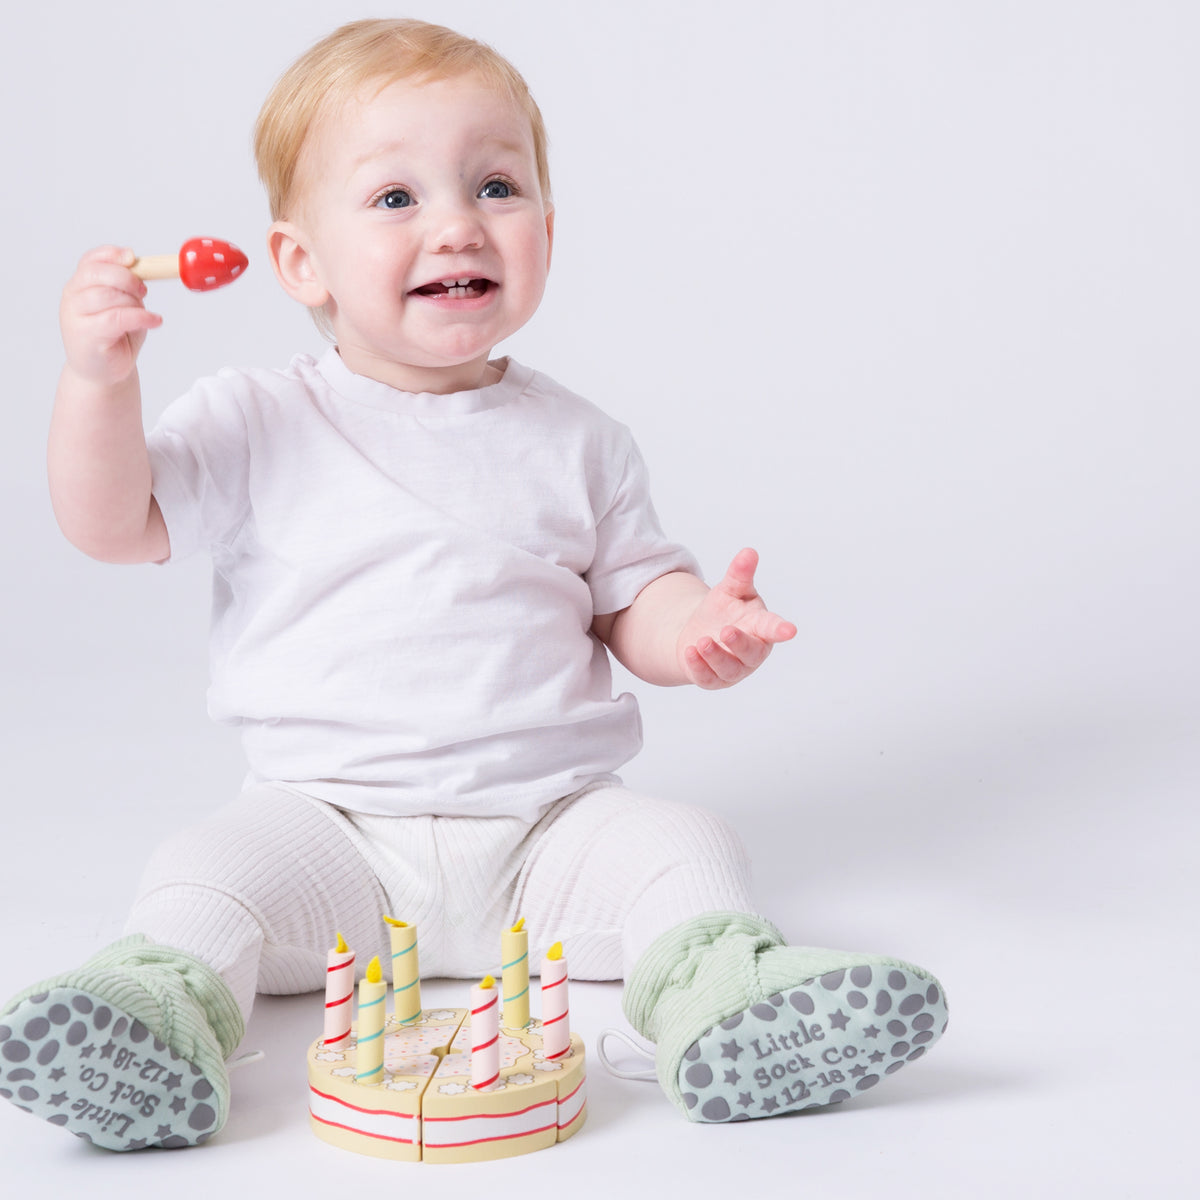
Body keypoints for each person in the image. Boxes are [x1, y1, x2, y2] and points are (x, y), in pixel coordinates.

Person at [1, 18, 945, 1151]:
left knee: (687, 844)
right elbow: (112, 524)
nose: (458, 222)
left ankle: (726, 1007)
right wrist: (97, 384)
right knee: (200, 871)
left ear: (547, 229)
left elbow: (632, 600)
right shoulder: (257, 420)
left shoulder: (580, 440)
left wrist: (699, 629)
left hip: (550, 831)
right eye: (395, 198)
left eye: (496, 186)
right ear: (300, 260)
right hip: (327, 828)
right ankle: (150, 1023)